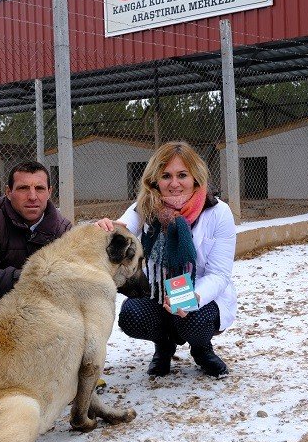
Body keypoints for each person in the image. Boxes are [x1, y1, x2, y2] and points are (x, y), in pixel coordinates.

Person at [95, 141, 236, 378]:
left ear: (195, 177)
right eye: (166, 176)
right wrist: (109, 229)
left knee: (193, 321)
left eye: (182, 175)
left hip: (198, 290)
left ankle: (201, 349)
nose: (174, 184)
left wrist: (193, 297)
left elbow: (219, 274)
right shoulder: (145, 207)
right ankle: (163, 346)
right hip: (157, 292)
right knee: (131, 315)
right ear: (155, 180)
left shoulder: (219, 212)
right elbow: (124, 227)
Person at [0, 161, 72, 329]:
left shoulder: (62, 229)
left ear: (49, 192)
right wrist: (25, 277)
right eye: (23, 188)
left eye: (39, 188)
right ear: (9, 192)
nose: (32, 196)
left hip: (46, 313)